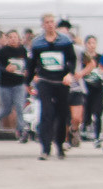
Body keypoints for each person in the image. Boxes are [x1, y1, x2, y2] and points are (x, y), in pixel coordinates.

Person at [27, 13, 76, 160]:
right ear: (43, 25)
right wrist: (28, 82)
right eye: (47, 22)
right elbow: (31, 64)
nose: (50, 24)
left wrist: (70, 74)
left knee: (62, 114)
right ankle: (45, 148)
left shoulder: (65, 40)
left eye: (52, 22)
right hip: (45, 81)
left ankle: (60, 145)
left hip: (61, 82)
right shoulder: (37, 43)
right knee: (46, 113)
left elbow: (72, 59)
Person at [0, 29, 29, 141]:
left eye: (15, 37)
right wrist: (5, 69)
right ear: (7, 39)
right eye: (11, 37)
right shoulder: (3, 51)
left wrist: (27, 71)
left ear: (19, 39)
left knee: (19, 106)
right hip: (5, 84)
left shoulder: (22, 50)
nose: (13, 39)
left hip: (19, 83)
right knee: (7, 108)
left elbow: (28, 63)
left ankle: (21, 131)